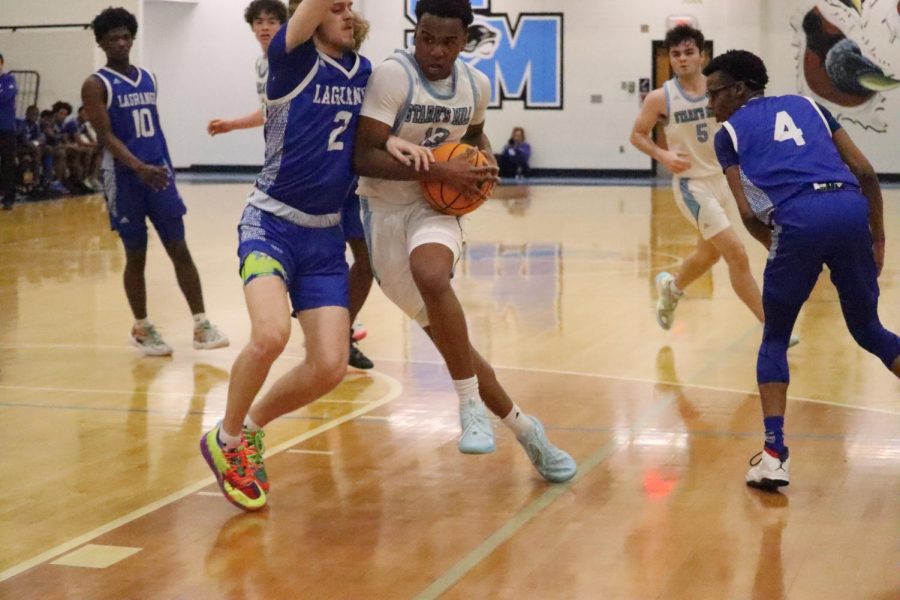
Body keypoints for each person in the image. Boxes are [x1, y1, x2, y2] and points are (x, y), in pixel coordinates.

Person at [199, 0, 427, 511]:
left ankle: (252, 428)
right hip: (271, 223)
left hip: (324, 236)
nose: (345, 12)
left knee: (330, 365)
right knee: (270, 335)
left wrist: (393, 146)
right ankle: (227, 438)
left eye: (350, 7)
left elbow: (367, 133)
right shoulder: (292, 59)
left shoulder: (365, 72)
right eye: (334, 7)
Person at [353, 0, 577, 483]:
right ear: (416, 34)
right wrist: (438, 167)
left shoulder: (475, 86)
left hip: (434, 208)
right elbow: (363, 156)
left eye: (447, 41)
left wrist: (483, 169)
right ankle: (528, 431)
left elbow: (476, 140)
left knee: (432, 273)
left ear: (465, 40)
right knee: (459, 350)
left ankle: (469, 407)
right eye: (426, 38)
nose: (435, 50)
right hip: (383, 212)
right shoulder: (394, 76)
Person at [703, 49, 900, 490]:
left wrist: (784, 248)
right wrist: (878, 237)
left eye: (714, 94)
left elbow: (749, 212)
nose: (710, 105)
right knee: (869, 329)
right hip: (851, 209)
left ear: (738, 90)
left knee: (775, 336)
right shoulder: (811, 105)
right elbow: (865, 171)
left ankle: (774, 456)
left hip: (798, 219)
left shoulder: (729, 134)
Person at [209, 0, 375, 370]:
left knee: (368, 259)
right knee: (276, 326)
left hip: (343, 182)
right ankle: (323, 321)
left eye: (272, 20)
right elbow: (273, 107)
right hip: (295, 186)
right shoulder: (289, 57)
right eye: (260, 22)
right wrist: (235, 125)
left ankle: (339, 329)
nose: (265, 27)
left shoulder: (357, 65)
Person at [630, 26, 798, 347]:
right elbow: (637, 134)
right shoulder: (661, 97)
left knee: (708, 256)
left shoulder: (720, 91)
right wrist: (662, 154)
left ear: (702, 56)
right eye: (676, 54)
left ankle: (672, 288)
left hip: (724, 180)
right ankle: (774, 329)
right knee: (736, 253)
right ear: (670, 58)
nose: (682, 59)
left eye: (689, 52)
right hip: (693, 186)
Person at [82, 7, 229, 356]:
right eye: (112, 38)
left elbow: (153, 128)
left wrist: (161, 166)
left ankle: (201, 323)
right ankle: (143, 326)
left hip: (158, 175)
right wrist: (137, 167)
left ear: (132, 38)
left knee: (179, 248)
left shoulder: (148, 76)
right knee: (136, 255)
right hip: (125, 177)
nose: (120, 42)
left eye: (125, 36)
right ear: (101, 42)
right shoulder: (96, 84)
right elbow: (105, 136)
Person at [0, 53, 17, 210]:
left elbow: (5, 96)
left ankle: (9, 198)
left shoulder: (9, 80)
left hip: (5, 128)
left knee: (7, 163)